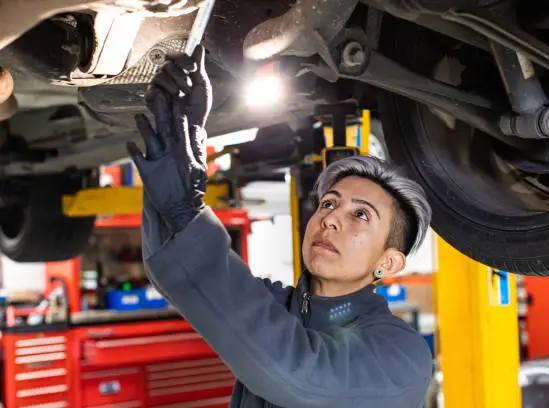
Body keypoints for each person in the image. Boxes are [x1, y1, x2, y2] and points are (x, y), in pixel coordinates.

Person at [127, 45, 433, 408]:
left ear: (388, 263)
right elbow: (177, 271)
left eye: (360, 215)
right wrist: (183, 143)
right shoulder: (280, 306)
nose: (331, 217)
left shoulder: (403, 355)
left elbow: (300, 374)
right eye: (329, 203)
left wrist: (185, 209)